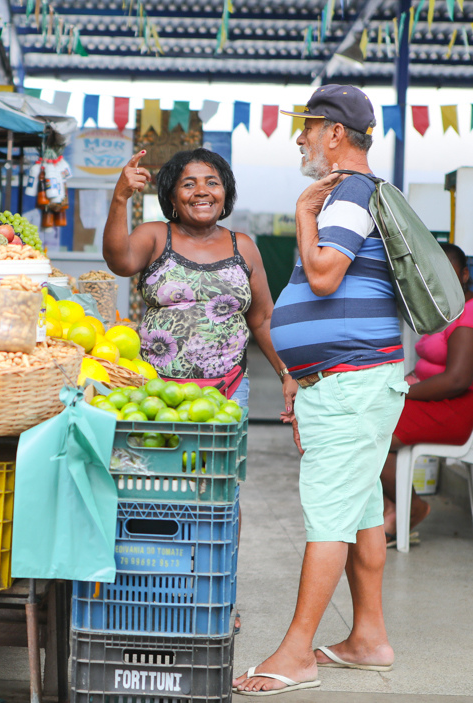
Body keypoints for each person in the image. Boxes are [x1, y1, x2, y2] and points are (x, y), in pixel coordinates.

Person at [233, 85, 409, 696]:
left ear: (334, 132)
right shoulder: (350, 193)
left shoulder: (349, 192)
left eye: (307, 128)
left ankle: (297, 652)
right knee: (358, 511)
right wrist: (296, 375)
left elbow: (325, 274)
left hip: (352, 380)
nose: (300, 139)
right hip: (339, 380)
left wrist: (306, 216)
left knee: (330, 514)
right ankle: (368, 639)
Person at [102, 147, 298, 413]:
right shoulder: (155, 236)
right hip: (155, 389)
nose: (202, 191)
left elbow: (263, 318)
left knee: (218, 454)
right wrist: (119, 198)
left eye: (212, 183)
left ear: (224, 194)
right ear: (172, 198)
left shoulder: (243, 246)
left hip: (228, 388)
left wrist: (285, 372)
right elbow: (119, 262)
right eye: (188, 184)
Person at [381, 243, 473, 545]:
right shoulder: (442, 310)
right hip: (431, 398)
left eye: (448, 271)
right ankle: (397, 508)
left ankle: (411, 507)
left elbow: (457, 379)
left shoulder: (469, 313)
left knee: (372, 433)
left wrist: (405, 391)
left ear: (464, 274)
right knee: (368, 421)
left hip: (456, 407)